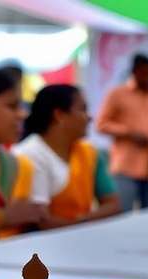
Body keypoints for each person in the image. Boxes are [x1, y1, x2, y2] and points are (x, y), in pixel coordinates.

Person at [13, 84, 121, 228]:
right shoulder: (29, 155)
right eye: (83, 109)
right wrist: (81, 225)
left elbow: (113, 204)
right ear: (59, 115)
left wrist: (80, 223)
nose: (89, 117)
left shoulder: (90, 153)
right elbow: (40, 221)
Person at [96, 54, 148, 212]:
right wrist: (130, 133)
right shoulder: (117, 94)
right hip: (126, 164)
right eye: (143, 73)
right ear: (134, 72)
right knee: (122, 213)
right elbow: (102, 124)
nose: (147, 78)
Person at [0, 68, 45, 235]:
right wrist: (5, 217)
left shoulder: (10, 163)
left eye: (21, 106)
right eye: (11, 106)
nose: (22, 114)